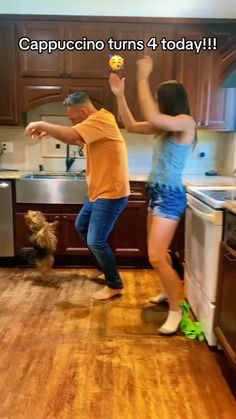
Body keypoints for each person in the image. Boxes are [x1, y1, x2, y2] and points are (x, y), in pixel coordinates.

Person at [109, 56, 196, 334]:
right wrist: (120, 96)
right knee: (159, 254)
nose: (156, 105)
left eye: (159, 100)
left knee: (156, 256)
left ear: (168, 102)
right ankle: (166, 292)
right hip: (156, 192)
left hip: (171, 196)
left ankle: (176, 309)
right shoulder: (163, 126)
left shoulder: (185, 122)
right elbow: (132, 125)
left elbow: (153, 116)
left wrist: (142, 78)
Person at [25, 92, 130, 301]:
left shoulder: (101, 119)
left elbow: (72, 134)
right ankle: (105, 268)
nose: (72, 121)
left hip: (110, 193)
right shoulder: (96, 125)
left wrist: (42, 124)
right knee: (82, 225)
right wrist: (50, 133)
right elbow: (77, 140)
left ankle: (114, 284)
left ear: (83, 111)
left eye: (73, 118)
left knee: (96, 240)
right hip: (97, 192)